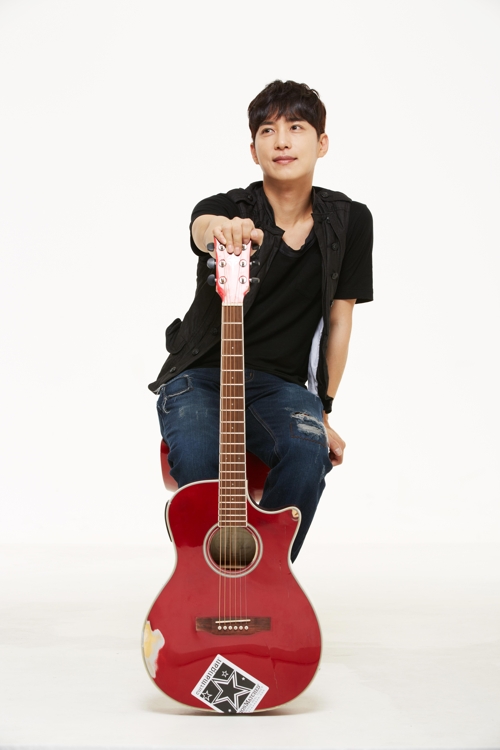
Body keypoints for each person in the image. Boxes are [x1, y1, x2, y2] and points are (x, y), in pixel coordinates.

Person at [149, 80, 373, 561]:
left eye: (296, 127)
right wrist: (221, 231)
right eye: (268, 130)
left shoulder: (350, 221)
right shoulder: (232, 208)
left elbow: (340, 322)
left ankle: (267, 578)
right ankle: (206, 578)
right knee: (203, 468)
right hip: (201, 377)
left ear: (322, 143)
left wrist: (322, 411)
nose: (282, 141)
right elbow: (201, 226)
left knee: (309, 451)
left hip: (280, 388)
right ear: (253, 151)